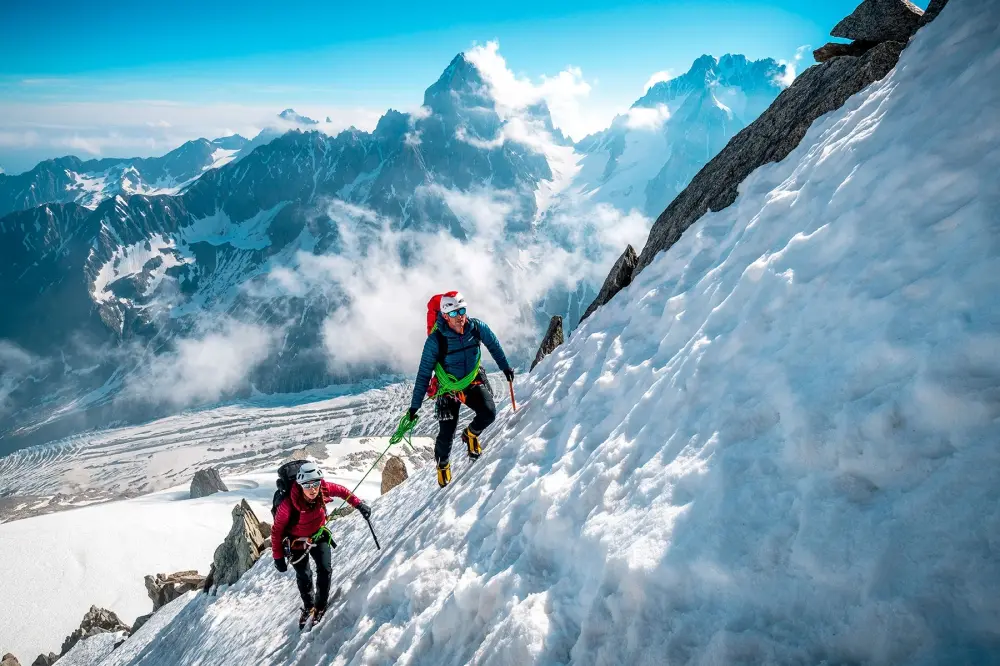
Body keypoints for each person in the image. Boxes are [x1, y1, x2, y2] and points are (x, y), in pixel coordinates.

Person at [409, 292, 514, 487]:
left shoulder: (475, 327)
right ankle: (443, 464)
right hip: (447, 389)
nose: (461, 317)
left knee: (489, 413)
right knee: (446, 434)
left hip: (471, 381)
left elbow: (493, 345)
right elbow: (424, 373)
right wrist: (414, 407)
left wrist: (505, 367)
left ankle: (470, 434)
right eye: (455, 313)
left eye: (463, 311)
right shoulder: (436, 340)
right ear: (445, 316)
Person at [271, 461, 371, 628]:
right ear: (300, 484)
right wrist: (278, 557)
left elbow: (341, 491)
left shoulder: (323, 488)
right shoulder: (287, 505)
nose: (313, 489)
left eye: (315, 483)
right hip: (296, 542)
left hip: (318, 535)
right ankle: (309, 607)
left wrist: (359, 504)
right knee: (304, 575)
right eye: (307, 485)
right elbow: (277, 531)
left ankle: (320, 606)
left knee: (325, 569)